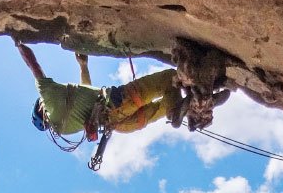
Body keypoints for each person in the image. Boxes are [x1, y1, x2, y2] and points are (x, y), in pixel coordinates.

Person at [15, 39, 200, 144]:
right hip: (120, 102)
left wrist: (83, 66)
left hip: (122, 125)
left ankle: (188, 107)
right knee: (169, 78)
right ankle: (194, 94)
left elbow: (87, 96)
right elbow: (34, 66)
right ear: (41, 108)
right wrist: (18, 43)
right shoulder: (48, 97)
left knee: (165, 105)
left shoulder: (65, 129)